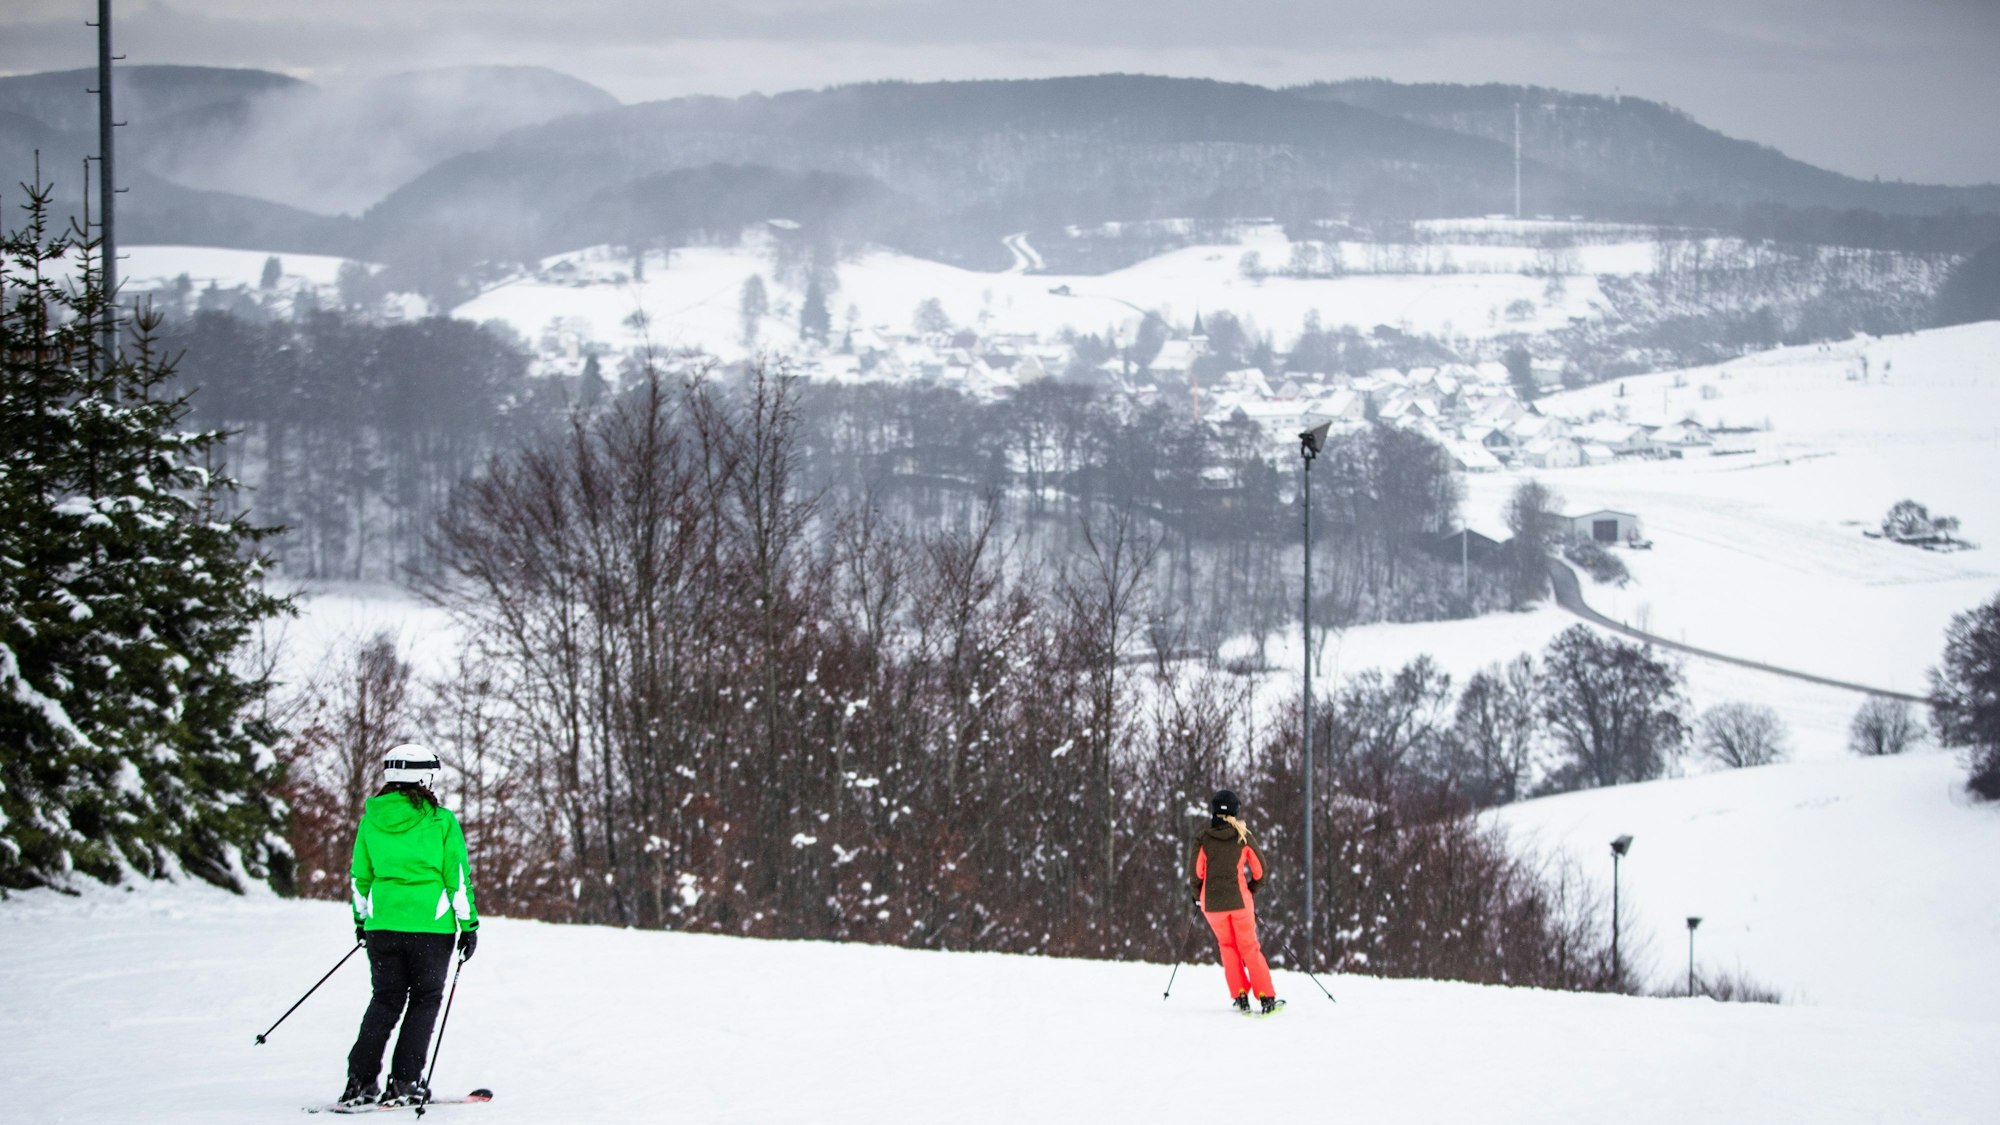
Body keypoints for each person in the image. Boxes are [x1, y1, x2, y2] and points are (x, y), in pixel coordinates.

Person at [338, 744, 480, 1109]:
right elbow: (457, 878)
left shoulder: (371, 819)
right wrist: (469, 925)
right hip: (431, 930)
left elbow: (360, 878)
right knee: (424, 1000)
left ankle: (360, 1082)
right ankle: (404, 1082)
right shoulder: (440, 820)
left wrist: (361, 921)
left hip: (382, 925)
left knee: (384, 999)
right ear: (422, 777)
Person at [1189, 789, 1282, 1015]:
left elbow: (1196, 874)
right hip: (1240, 902)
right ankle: (1266, 996)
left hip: (1211, 905)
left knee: (1227, 947)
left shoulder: (1203, 839)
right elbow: (1261, 870)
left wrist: (1196, 896)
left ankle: (1240, 995)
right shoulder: (1242, 836)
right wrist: (1251, 890)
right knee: (1249, 946)